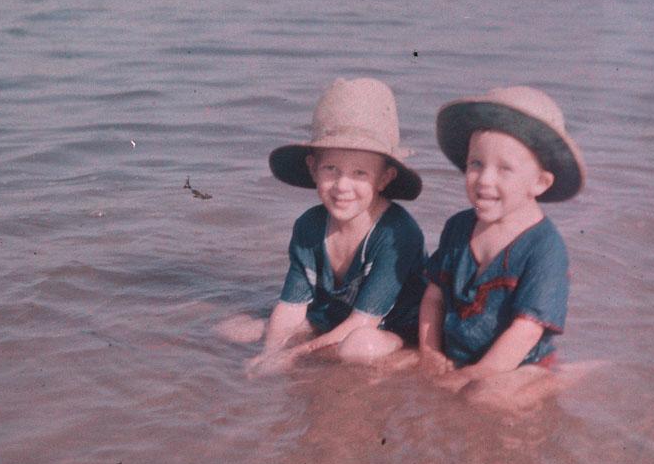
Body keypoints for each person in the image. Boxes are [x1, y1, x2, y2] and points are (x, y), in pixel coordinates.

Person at [224, 77, 426, 373]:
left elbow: (363, 322)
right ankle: (312, 349)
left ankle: (408, 361)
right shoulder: (309, 226)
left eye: (360, 173)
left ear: (384, 178)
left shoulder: (398, 234)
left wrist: (294, 354)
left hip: (388, 330)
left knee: (359, 347)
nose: (342, 185)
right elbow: (291, 307)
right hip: (335, 319)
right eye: (331, 169)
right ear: (313, 168)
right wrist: (271, 352)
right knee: (232, 330)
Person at [418, 86, 585, 404]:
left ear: (540, 182)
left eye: (504, 168)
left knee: (483, 398)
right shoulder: (458, 227)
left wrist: (473, 375)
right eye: (476, 164)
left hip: (522, 363)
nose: (484, 180)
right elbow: (435, 296)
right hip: (461, 354)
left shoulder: (545, 249)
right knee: (387, 366)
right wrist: (429, 351)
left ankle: (562, 377)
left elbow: (525, 331)